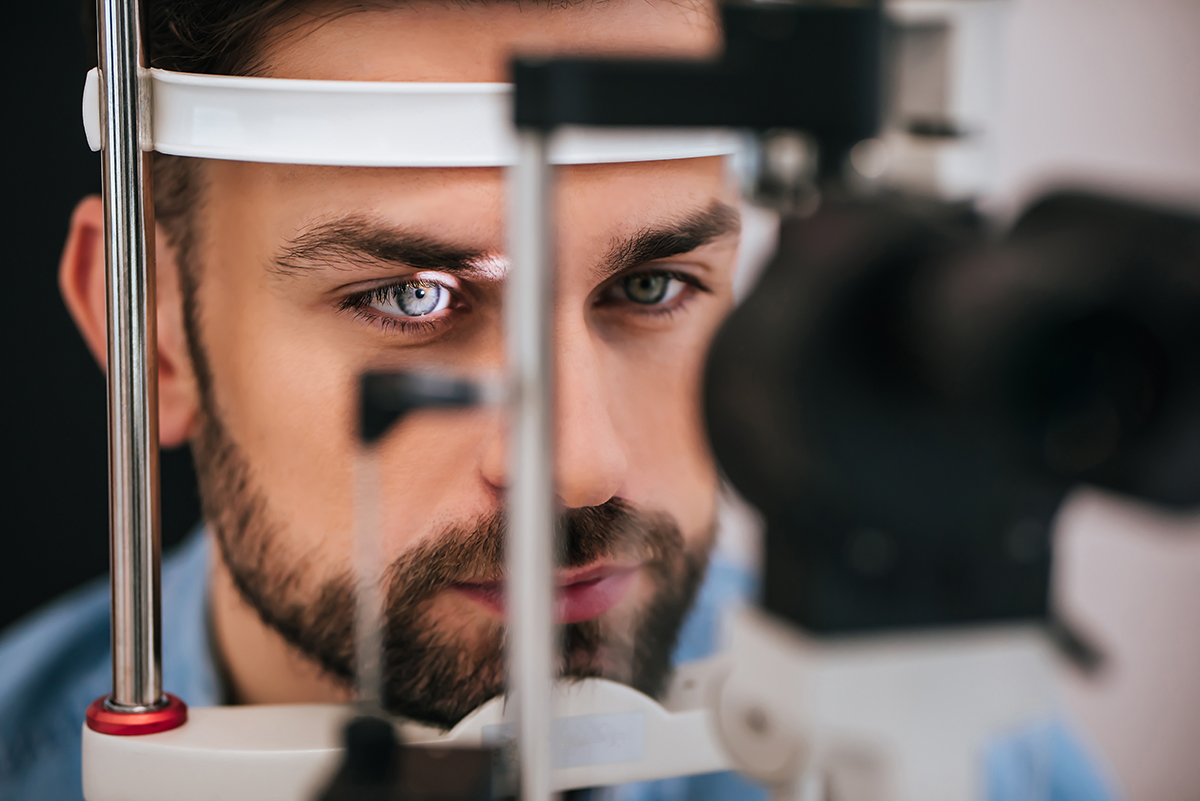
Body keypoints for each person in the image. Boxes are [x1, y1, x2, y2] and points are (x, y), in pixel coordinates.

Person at [0, 2, 1119, 800]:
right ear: (150, 339)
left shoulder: (965, 753)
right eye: (412, 294)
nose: (579, 466)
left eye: (650, 287)